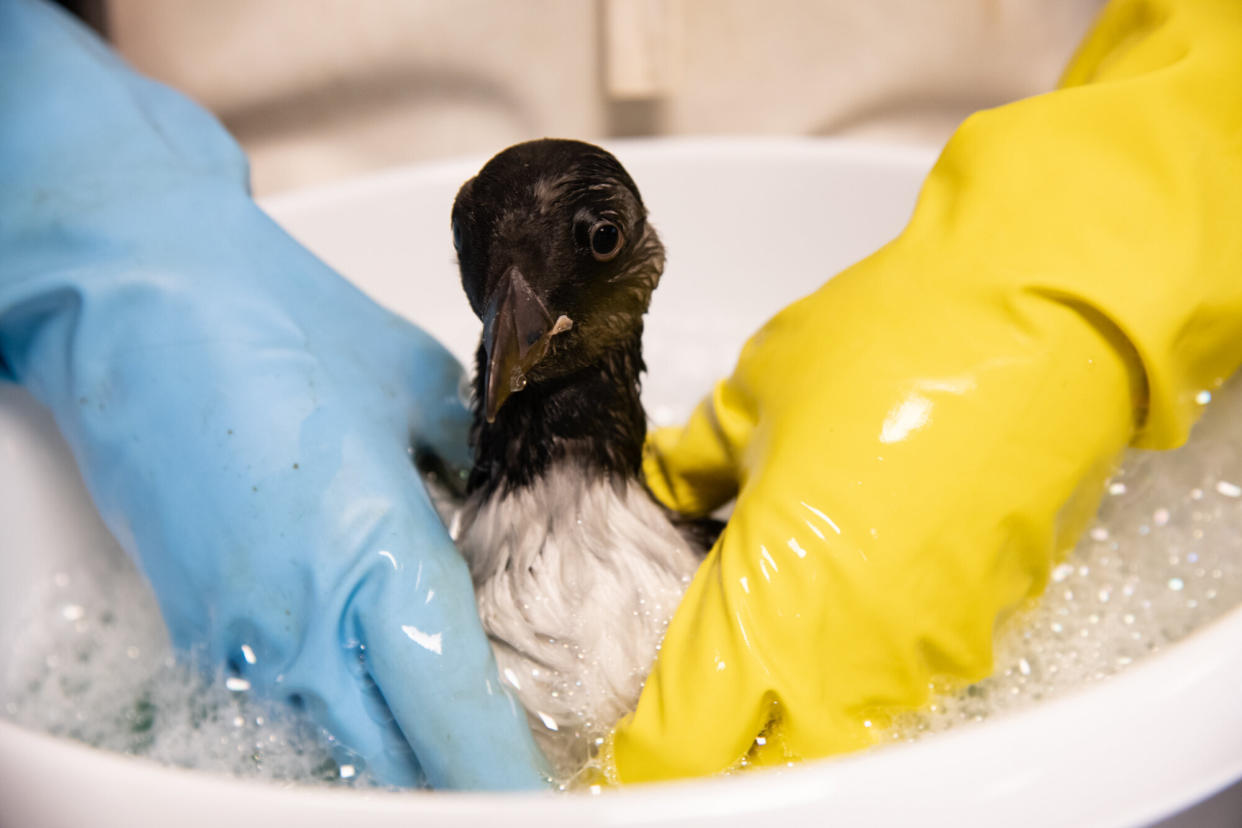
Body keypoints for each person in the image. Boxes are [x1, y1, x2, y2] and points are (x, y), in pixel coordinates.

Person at [4, 0, 1241, 791]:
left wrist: (1159, 168)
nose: (522, 311)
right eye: (496, 263)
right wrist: (68, 171)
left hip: (917, 186)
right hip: (285, 240)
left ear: (637, 260)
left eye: (587, 245)